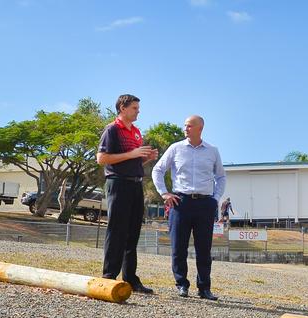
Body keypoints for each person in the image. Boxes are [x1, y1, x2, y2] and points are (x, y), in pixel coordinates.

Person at [152, 115, 226, 300]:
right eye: (185, 125)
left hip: (204, 204)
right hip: (180, 203)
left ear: (200, 128)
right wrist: (164, 193)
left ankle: (204, 288)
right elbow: (158, 170)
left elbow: (221, 177)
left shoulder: (212, 151)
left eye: (189, 126)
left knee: (204, 249)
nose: (185, 128)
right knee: (178, 247)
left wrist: (215, 199)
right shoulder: (175, 148)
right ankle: (181, 285)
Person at [96, 94, 158, 294]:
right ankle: (109, 276)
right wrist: (132, 154)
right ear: (122, 108)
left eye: (138, 108)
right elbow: (102, 158)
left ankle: (130, 278)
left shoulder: (137, 132)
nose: (138, 111)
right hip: (118, 183)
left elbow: (132, 161)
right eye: (134, 108)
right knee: (117, 230)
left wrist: (145, 158)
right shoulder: (112, 129)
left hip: (135, 184)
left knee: (133, 233)